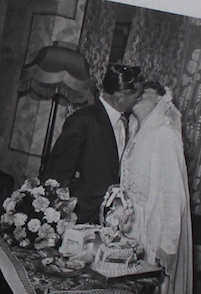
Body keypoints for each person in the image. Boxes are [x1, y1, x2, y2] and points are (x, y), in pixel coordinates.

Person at [120, 82, 193, 294]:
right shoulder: (137, 133)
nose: (138, 94)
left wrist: (168, 245)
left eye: (146, 92)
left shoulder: (165, 134)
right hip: (128, 232)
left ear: (162, 100)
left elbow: (174, 197)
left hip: (150, 236)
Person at [42, 64, 144, 224]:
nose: (139, 101)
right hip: (80, 218)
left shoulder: (125, 123)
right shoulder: (82, 121)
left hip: (107, 219)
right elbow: (57, 175)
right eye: (137, 97)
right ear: (120, 97)